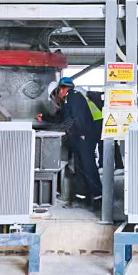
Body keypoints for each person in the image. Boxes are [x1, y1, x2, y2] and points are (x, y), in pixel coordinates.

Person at [41, 77, 102, 210]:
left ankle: (98, 198)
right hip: (79, 138)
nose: (56, 98)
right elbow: (62, 119)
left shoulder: (74, 97)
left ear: (61, 90)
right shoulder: (68, 100)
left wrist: (81, 133)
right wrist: (44, 118)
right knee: (80, 168)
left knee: (88, 167)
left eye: (55, 95)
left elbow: (78, 117)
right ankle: (83, 199)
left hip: (84, 137)